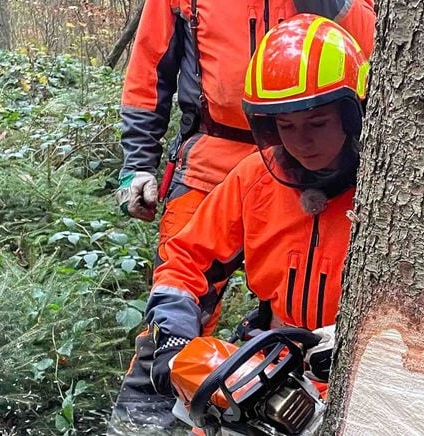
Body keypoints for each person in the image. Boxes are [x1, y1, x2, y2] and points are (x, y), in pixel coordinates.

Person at [110, 0, 374, 431]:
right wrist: (175, 334)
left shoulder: (389, 196)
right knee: (171, 352)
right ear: (272, 128)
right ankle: (140, 420)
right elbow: (186, 258)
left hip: (347, 370)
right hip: (215, 150)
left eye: (316, 125)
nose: (302, 142)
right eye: (289, 128)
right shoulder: (257, 178)